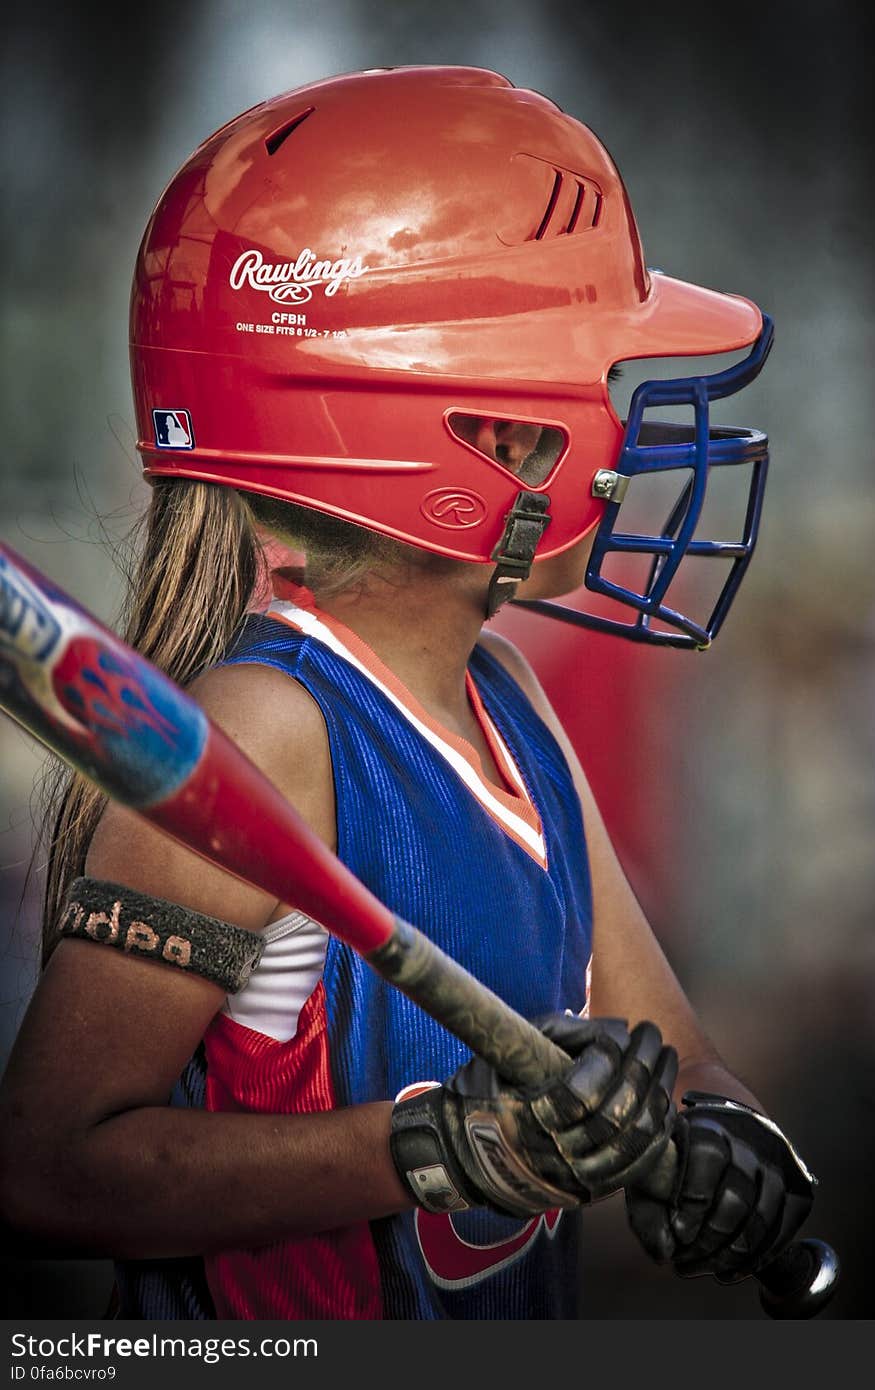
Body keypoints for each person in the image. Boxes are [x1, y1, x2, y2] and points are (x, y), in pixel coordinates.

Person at [0, 65, 816, 1320]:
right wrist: (440, 1146)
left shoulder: (508, 708)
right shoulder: (272, 730)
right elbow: (51, 1165)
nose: (635, 442)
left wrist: (718, 1138)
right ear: (473, 441)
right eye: (600, 388)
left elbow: (674, 1047)